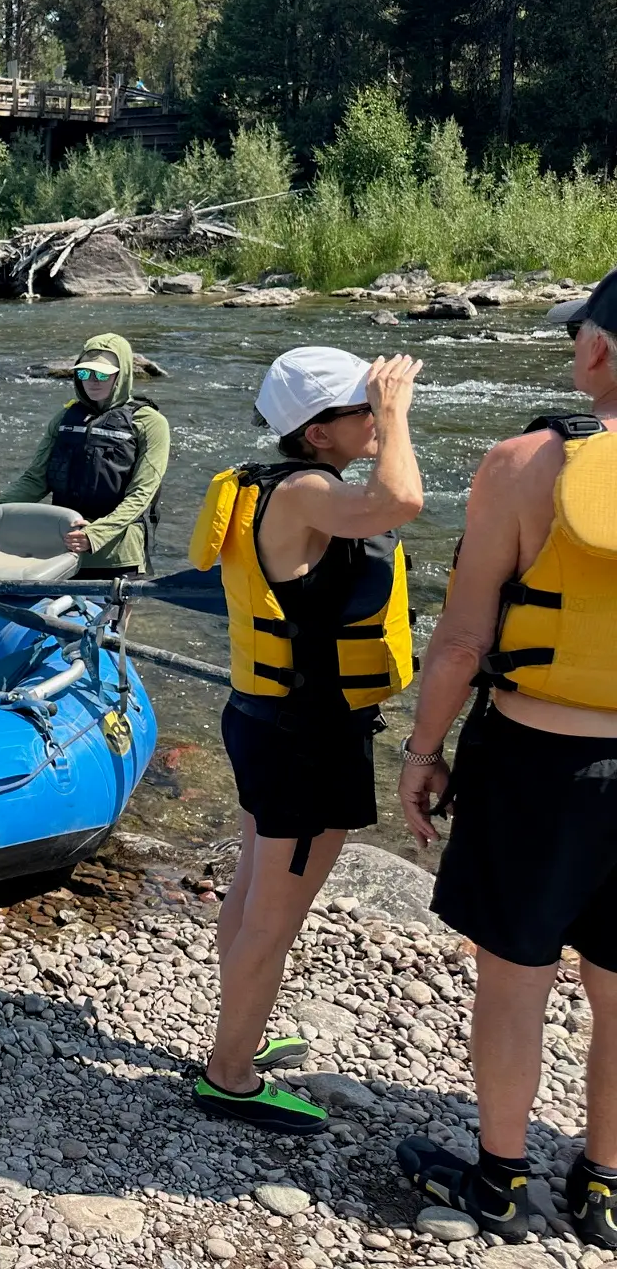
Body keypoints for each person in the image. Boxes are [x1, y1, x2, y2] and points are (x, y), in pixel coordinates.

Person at [394, 270, 617, 1246]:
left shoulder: (524, 463)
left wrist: (421, 750)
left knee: (517, 978)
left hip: (538, 766)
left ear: (598, 351)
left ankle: (500, 1181)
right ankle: (605, 1188)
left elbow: (458, 644)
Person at [185, 346, 424, 1132]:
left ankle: (237, 1035)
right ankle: (230, 1075)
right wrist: (396, 416)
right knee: (273, 916)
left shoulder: (275, 485)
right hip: (303, 740)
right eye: (362, 409)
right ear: (318, 433)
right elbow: (403, 500)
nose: (375, 417)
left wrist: (378, 412)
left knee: (256, 886)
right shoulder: (311, 492)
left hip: (270, 722)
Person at [0, 334, 170, 576]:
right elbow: (36, 479)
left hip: (117, 554)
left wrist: (96, 534)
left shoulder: (150, 422)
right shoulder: (64, 418)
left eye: (102, 374)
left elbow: (142, 494)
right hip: (62, 549)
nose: (93, 382)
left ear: (122, 374)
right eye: (85, 373)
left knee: (110, 614)